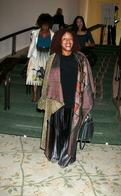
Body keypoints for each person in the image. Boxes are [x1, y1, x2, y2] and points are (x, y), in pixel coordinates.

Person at [38, 28, 95, 168]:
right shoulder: (53, 58)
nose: (68, 42)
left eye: (70, 39)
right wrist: (45, 99)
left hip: (74, 101)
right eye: (64, 39)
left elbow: (88, 81)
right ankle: (54, 153)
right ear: (59, 41)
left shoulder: (81, 58)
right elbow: (46, 81)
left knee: (71, 131)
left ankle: (67, 156)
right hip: (56, 100)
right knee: (56, 130)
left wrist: (87, 99)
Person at [26, 13, 54, 102]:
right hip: (36, 55)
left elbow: (54, 47)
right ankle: (34, 95)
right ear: (40, 23)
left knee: (44, 77)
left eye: (47, 24)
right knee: (34, 75)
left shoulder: (53, 34)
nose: (45, 26)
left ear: (49, 24)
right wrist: (29, 57)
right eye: (43, 24)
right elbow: (32, 45)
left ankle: (43, 95)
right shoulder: (35, 33)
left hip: (47, 56)